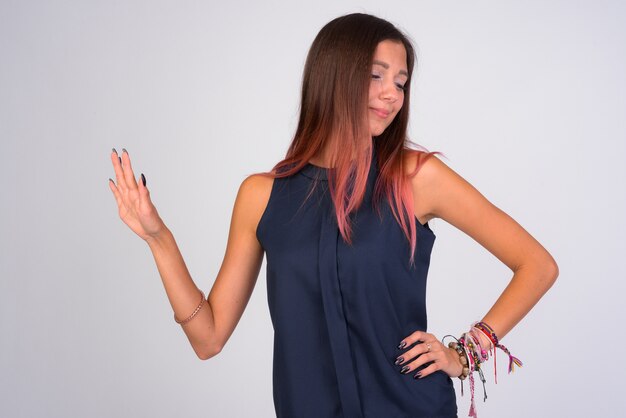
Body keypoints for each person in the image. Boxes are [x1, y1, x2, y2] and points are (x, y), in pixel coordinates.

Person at [108, 13, 558, 418]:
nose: (391, 94)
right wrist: (159, 238)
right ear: (334, 76)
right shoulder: (261, 196)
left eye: (401, 82)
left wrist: (464, 354)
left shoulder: (418, 179)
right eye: (376, 75)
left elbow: (537, 265)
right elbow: (208, 338)